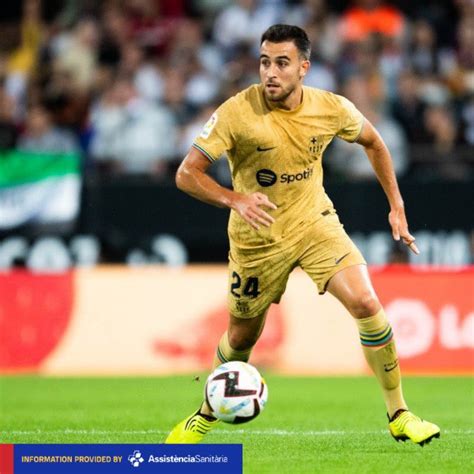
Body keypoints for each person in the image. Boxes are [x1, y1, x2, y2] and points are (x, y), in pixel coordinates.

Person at [165, 24, 440, 445]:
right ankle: (204, 416)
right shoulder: (237, 112)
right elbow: (187, 174)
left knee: (366, 302)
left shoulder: (330, 107)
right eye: (264, 62)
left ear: (303, 68)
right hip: (257, 238)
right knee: (241, 337)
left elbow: (374, 142)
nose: (270, 72)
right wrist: (235, 199)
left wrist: (397, 204)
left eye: (282, 63)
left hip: (314, 223)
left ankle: (399, 413)